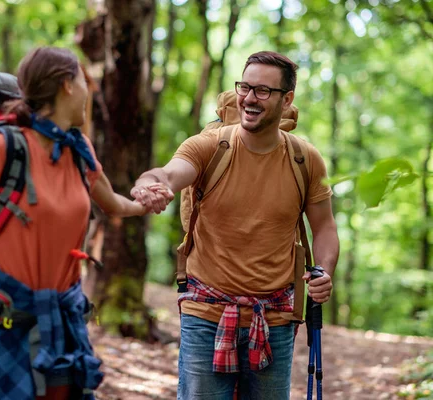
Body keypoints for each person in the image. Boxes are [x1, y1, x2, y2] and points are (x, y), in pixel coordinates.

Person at [0, 47, 172, 400]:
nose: (87, 93)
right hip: (2, 326)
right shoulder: (3, 148)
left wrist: (146, 202)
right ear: (66, 85)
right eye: (82, 80)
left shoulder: (80, 150)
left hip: (63, 323)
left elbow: (115, 204)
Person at [131, 51, 339, 399]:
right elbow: (169, 172)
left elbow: (325, 226)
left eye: (262, 90)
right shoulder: (212, 146)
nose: (249, 98)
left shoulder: (305, 159)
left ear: (286, 100)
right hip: (206, 313)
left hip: (275, 317)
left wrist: (323, 271)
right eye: (245, 86)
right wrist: (152, 183)